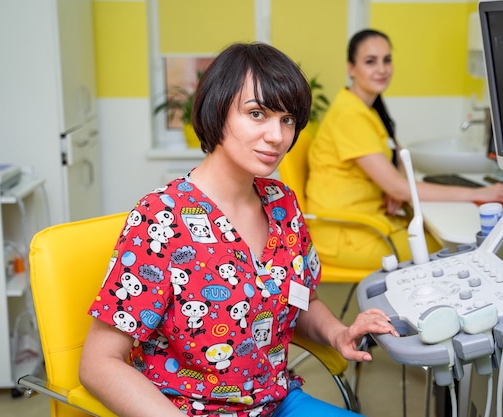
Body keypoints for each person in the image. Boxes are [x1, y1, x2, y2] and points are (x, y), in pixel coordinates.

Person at [79, 42, 398, 417]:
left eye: (287, 119)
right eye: (257, 114)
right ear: (218, 111)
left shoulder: (284, 206)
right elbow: (99, 364)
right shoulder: (161, 219)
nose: (277, 137)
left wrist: (338, 333)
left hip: (278, 403)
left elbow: (303, 300)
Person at [306, 29, 503, 269]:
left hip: (371, 223)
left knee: (446, 244)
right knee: (454, 253)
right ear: (351, 68)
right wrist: (477, 194)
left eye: (387, 60)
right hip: (349, 234)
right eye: (370, 61)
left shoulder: (367, 110)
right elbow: (401, 186)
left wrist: (394, 186)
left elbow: (399, 159)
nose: (381, 69)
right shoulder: (349, 115)